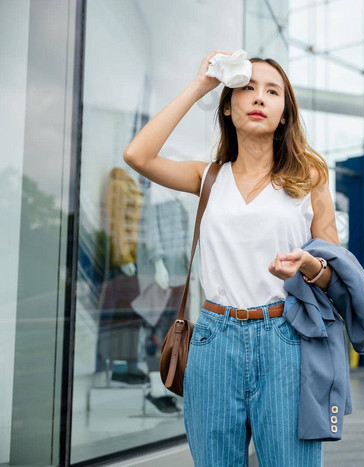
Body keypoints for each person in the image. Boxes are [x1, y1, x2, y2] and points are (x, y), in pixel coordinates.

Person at [123, 49, 339, 466]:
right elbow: (138, 155)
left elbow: (336, 274)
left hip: (286, 339)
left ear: (283, 113)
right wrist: (202, 84)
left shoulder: (309, 178)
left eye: (272, 91)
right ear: (228, 105)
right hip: (213, 340)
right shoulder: (208, 177)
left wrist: (310, 266)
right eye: (247, 88)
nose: (259, 98)